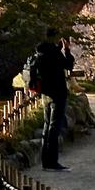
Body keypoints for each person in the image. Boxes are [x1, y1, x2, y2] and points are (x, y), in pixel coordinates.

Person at [29, 27, 75, 171]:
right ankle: (52, 161)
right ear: (55, 37)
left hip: (46, 92)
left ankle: (45, 160)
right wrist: (67, 50)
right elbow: (68, 65)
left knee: (47, 125)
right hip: (58, 92)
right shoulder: (54, 52)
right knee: (54, 127)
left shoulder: (40, 52)